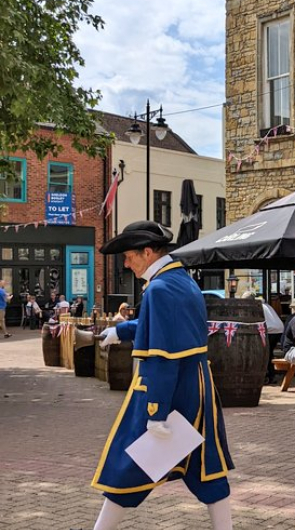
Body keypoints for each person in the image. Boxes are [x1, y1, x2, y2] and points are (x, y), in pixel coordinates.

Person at [90, 221, 234, 530]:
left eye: (129, 256)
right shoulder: (180, 279)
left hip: (172, 391)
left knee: (129, 463)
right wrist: (121, 330)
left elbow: (162, 357)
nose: (126, 264)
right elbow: (166, 326)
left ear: (147, 252)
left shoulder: (159, 288)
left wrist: (155, 412)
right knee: (204, 468)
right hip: (196, 387)